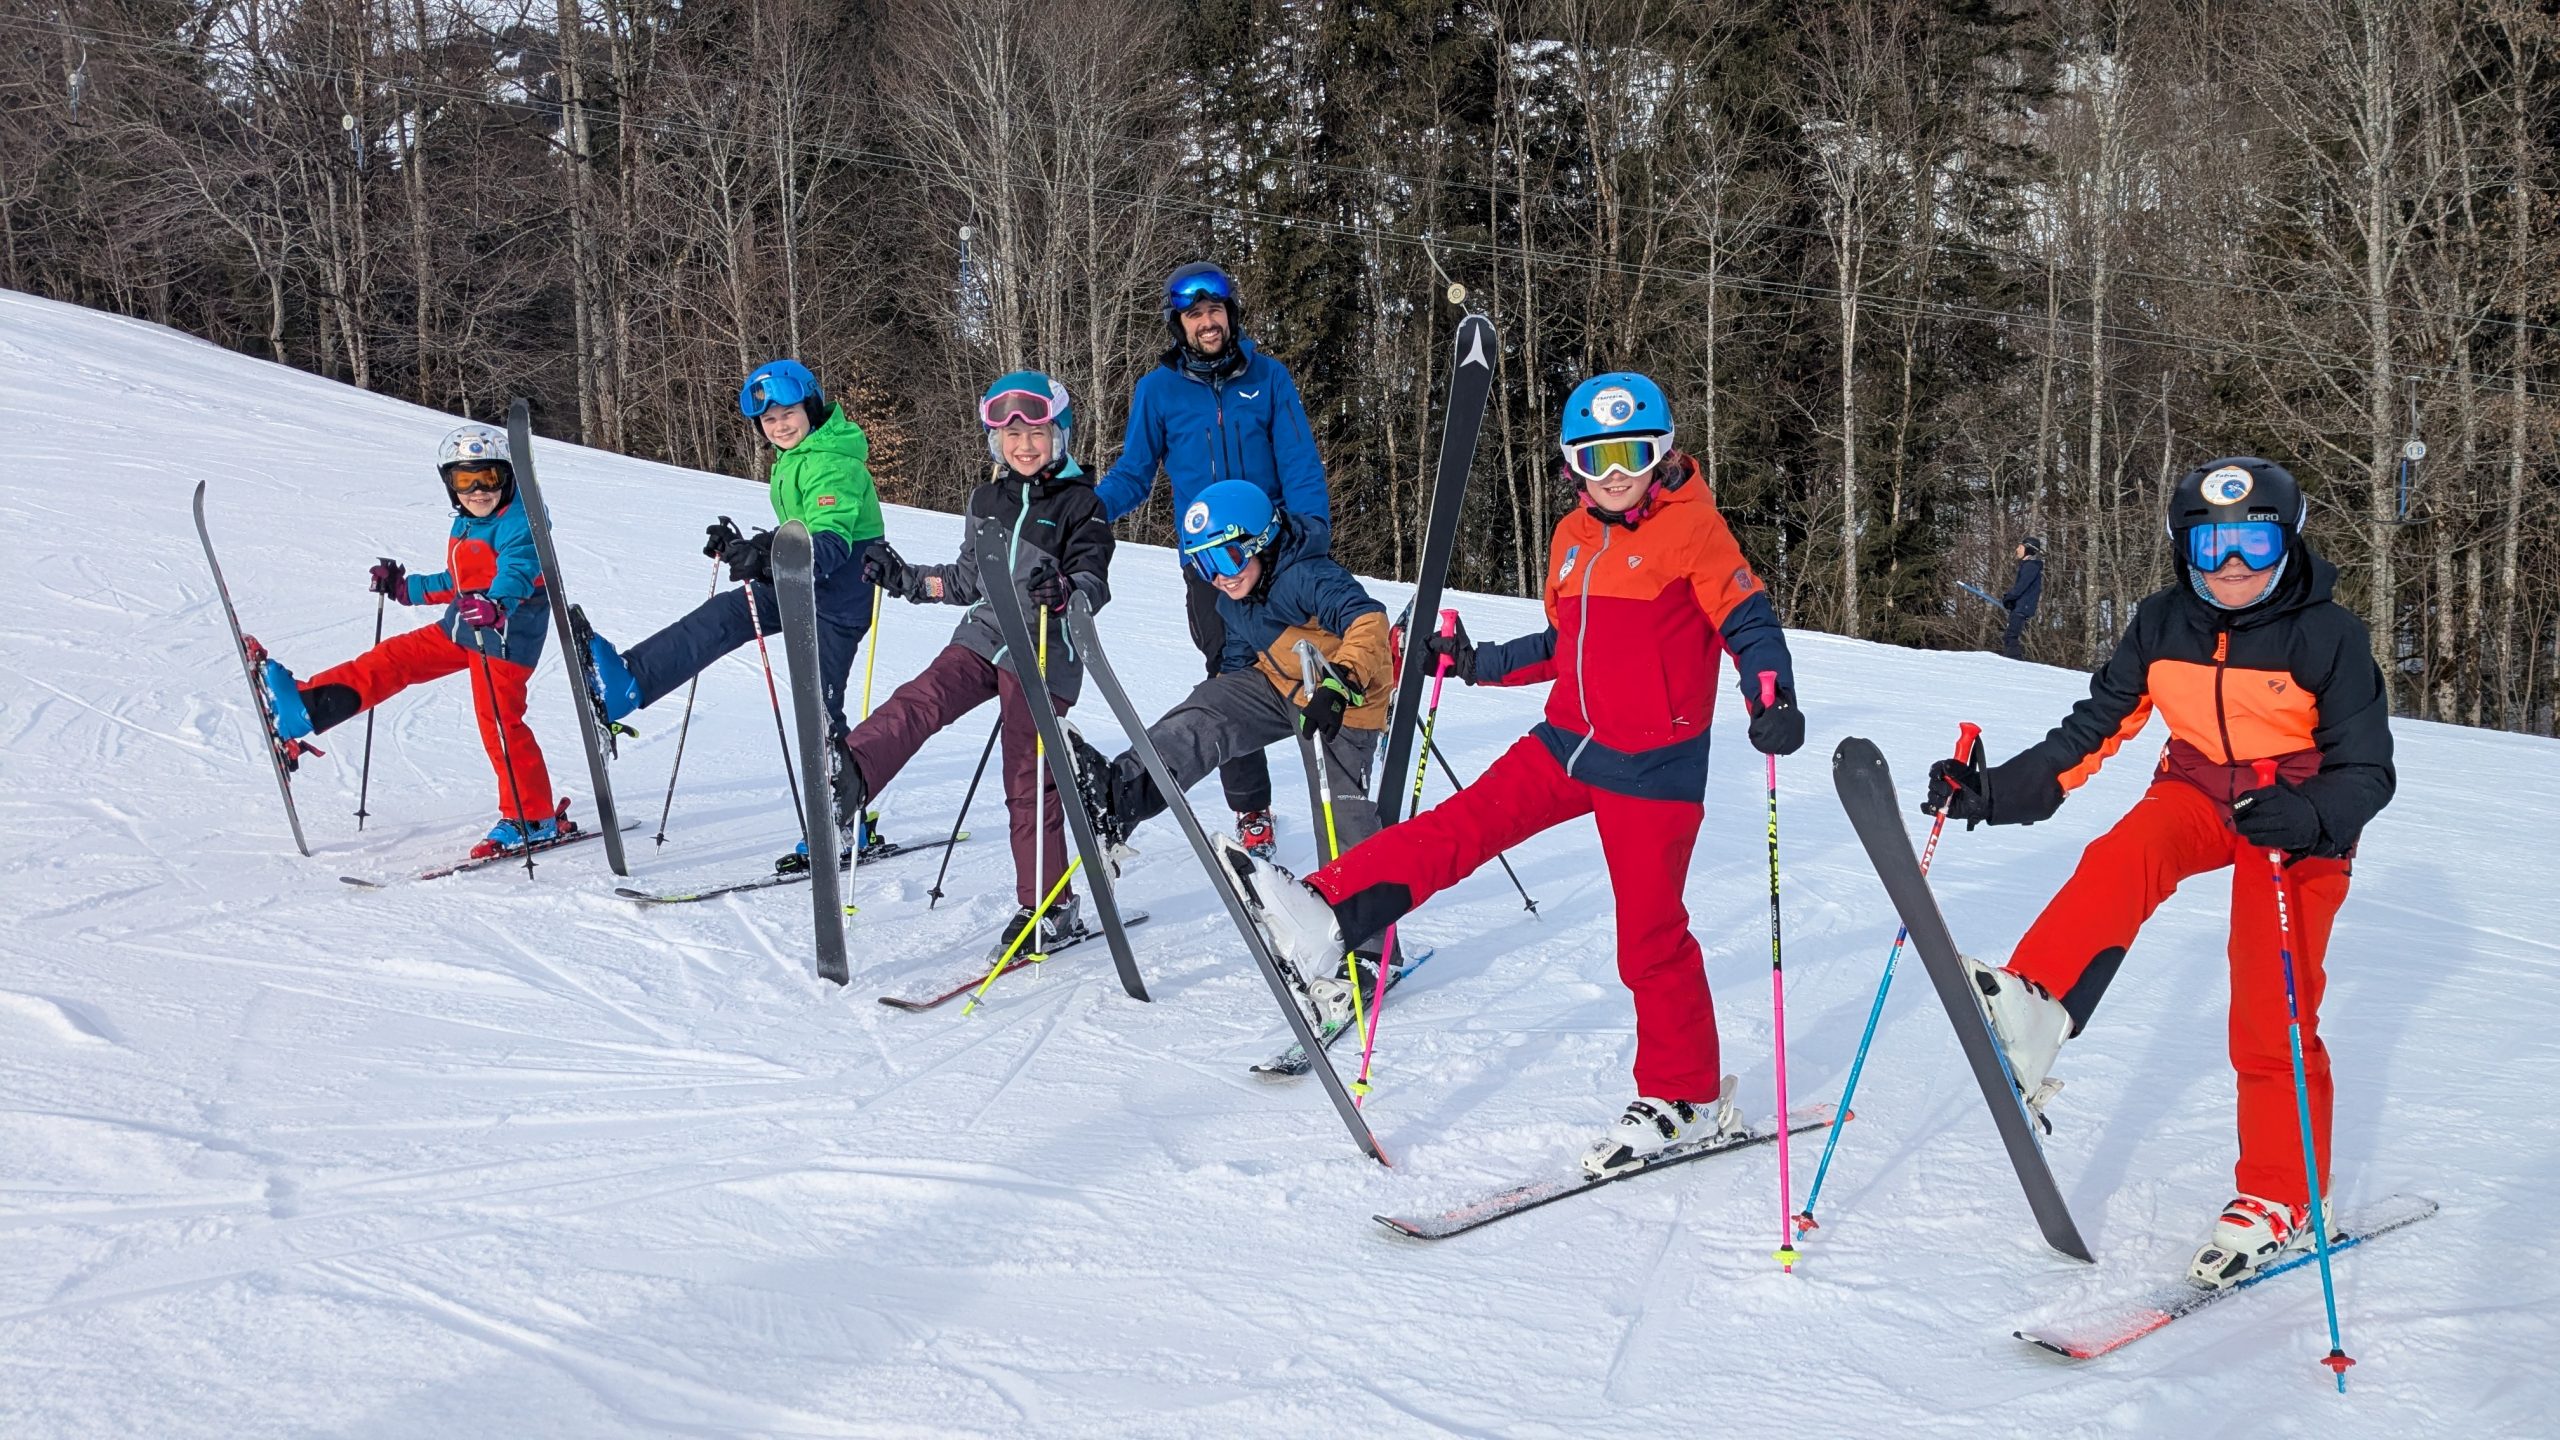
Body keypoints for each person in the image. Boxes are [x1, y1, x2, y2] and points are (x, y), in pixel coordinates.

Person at [1216, 373, 1805, 1179]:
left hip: (1653, 767)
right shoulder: (1572, 536)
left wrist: (1770, 692)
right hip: (1568, 741)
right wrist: (1474, 663)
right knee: (1459, 827)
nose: (1615, 475)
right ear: (1572, 464)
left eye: (1632, 455)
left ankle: (1686, 1098)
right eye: (1595, 459)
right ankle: (1327, 909)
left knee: (1650, 936)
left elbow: (1749, 622)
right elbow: (1566, 645)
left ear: (1662, 452)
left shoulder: (1695, 531)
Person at [1920, 457, 2393, 1289]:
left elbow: (2369, 770)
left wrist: (2313, 815)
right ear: (2184, 550)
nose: (2232, 565)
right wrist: (1995, 794)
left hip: (2298, 816)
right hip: (2200, 788)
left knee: (2269, 1000)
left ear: (2287, 542)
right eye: (2211, 547)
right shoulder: (2162, 622)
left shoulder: (2331, 636)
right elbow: (2094, 727)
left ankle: (2281, 1195)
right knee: (2124, 853)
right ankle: (2035, 1005)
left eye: (2253, 544)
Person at [1068, 479, 1396, 990]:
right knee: (1207, 710)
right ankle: (1125, 792)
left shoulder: (1306, 573)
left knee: (1339, 816)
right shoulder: (1232, 598)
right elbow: (1241, 661)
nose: (1218, 577)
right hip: (1280, 683)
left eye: (1225, 558)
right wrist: (1220, 701)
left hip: (1343, 700)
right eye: (1204, 565)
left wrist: (1342, 681)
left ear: (1261, 540)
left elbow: (1369, 621)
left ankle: (1367, 948)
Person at [847, 372, 1114, 953]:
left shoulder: (1082, 505)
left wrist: (1066, 589)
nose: (1024, 445)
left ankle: (1051, 906)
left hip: (1044, 650)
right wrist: (905, 579)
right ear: (996, 441)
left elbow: (1094, 581)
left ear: (1059, 436)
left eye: (1037, 433)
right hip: (985, 634)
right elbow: (967, 580)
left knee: (1027, 775)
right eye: (1011, 435)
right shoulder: (985, 501)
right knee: (923, 697)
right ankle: (851, 774)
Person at [581, 359, 885, 866]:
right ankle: (627, 683)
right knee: (724, 615)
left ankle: (844, 821)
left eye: (788, 413)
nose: (779, 426)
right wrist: (751, 548)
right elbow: (800, 529)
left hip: (839, 599)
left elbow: (829, 544)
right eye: (769, 420)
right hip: (798, 585)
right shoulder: (796, 457)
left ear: (810, 407)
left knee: (818, 707)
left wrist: (764, 559)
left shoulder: (834, 461)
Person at [1094, 262, 1331, 859]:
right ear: (1179, 324)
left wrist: (1310, 532)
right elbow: (1135, 472)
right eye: (1195, 314)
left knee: (1310, 664)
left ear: (1231, 315)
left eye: (1215, 311)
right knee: (1228, 677)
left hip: (1276, 550)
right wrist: (1089, 509)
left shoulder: (1269, 378)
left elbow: (1299, 461)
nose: (1207, 322)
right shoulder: (1157, 390)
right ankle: (1252, 810)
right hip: (1210, 565)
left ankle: (1341, 793)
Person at [254, 424, 566, 856]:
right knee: (392, 659)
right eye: (465, 480)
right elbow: (458, 580)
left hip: (504, 638)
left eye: (488, 478)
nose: (477, 491)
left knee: (498, 722)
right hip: (462, 628)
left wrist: (497, 604)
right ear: (450, 484)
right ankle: (303, 709)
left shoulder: (520, 525)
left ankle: (533, 818)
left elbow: (516, 571)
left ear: (508, 478)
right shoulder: (470, 523)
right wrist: (405, 588)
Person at [2000, 535, 2044, 660]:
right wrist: (2011, 601)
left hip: (2023, 606)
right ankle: (2012, 660)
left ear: (2028, 550)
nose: (2017, 550)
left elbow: (2021, 587)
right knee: (2009, 636)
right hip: (2021, 605)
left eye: (2020, 547)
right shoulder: (2027, 565)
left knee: (2011, 636)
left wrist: (2009, 598)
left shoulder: (2031, 566)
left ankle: (2014, 662)